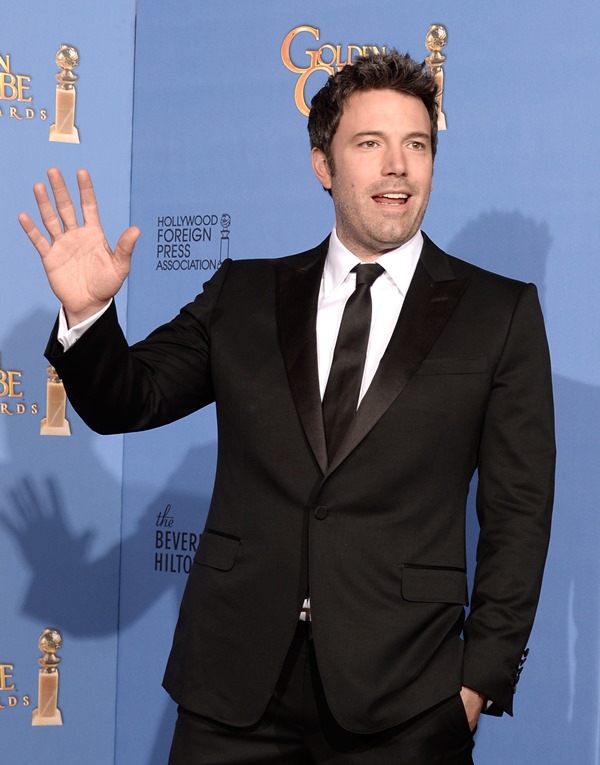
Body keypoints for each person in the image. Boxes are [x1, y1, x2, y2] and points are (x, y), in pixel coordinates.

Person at [19, 51, 555, 764]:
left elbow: (520, 515)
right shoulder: (244, 294)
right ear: (323, 165)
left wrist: (477, 683)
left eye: (417, 144)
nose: (398, 166)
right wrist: (87, 316)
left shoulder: (499, 312)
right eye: (370, 143)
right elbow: (129, 399)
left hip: (406, 698)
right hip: (232, 690)